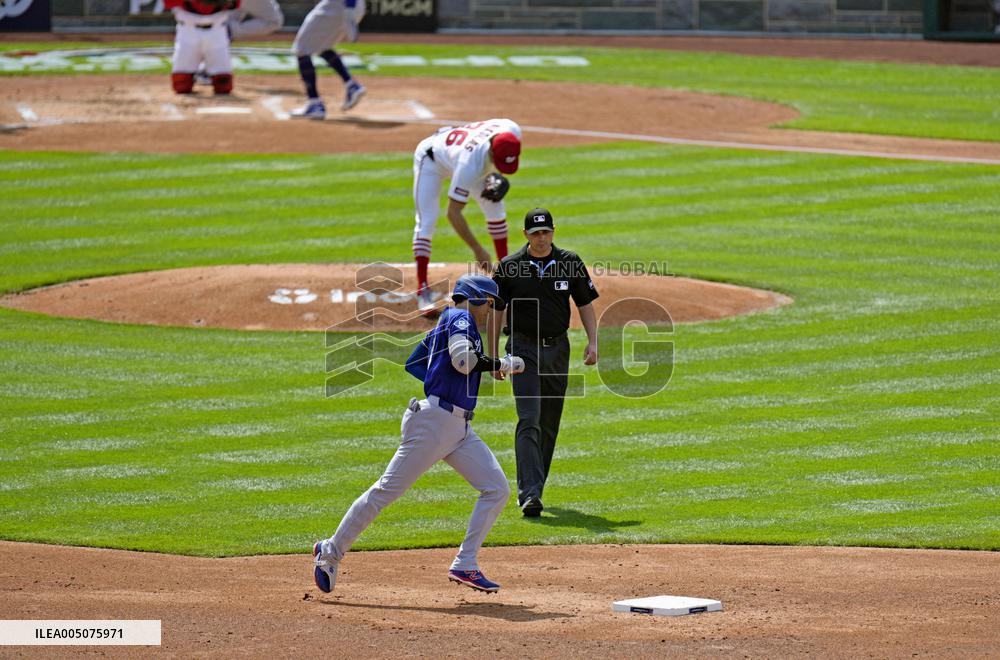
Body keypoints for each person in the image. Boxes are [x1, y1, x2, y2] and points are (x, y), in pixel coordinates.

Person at [312, 275, 525, 594]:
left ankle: (465, 564)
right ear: (477, 298)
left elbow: (417, 362)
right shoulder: (460, 317)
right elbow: (464, 361)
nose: (490, 312)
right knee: (385, 491)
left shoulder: (449, 321)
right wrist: (502, 363)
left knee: (496, 488)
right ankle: (329, 552)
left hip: (456, 427)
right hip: (436, 425)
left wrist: (446, 380)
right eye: (490, 304)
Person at [490, 208, 599, 517]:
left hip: (557, 349)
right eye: (535, 232)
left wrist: (593, 342)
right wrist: (493, 355)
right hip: (522, 349)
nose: (541, 237)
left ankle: (536, 486)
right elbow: (497, 311)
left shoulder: (570, 262)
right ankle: (529, 494)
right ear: (525, 234)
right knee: (529, 418)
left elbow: (585, 304)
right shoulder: (510, 268)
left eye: (546, 232)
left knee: (549, 422)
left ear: (553, 232)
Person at [411, 119, 522, 315]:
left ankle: (505, 280)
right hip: (431, 159)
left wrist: (495, 174)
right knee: (427, 220)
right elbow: (453, 213)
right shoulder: (470, 164)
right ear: (493, 152)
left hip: (462, 154)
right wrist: (477, 249)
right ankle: (422, 290)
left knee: (494, 204)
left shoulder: (512, 130)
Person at [289, 0, 366, 119]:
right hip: (349, 7)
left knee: (302, 48)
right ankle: (351, 85)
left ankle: (314, 103)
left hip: (341, 6)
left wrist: (349, 9)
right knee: (322, 46)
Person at [166, 0, 240, 96]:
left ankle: (207, 73)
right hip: (188, 31)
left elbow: (235, 4)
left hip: (217, 31)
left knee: (223, 86)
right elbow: (168, 3)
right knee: (181, 85)